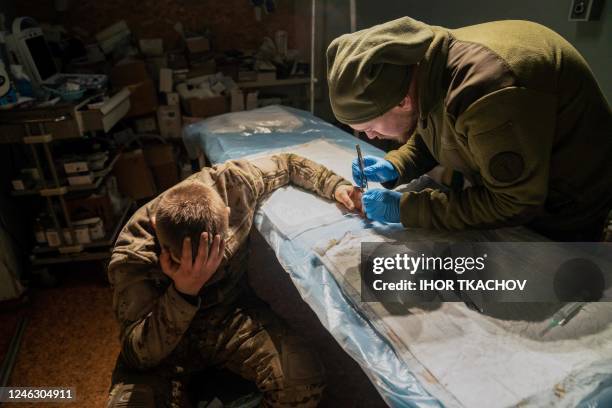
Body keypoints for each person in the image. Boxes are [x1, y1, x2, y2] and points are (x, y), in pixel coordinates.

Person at [106, 153, 361, 407]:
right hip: (166, 342)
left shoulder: (233, 185)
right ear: (156, 230)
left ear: (226, 214)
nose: (202, 268)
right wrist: (183, 292)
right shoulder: (133, 255)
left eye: (212, 256)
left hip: (228, 318)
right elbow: (137, 355)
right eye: (186, 261)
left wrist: (337, 186)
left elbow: (288, 163)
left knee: (302, 379)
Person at [327, 16, 612, 241]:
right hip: (526, 185)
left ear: (402, 101)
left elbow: (513, 202)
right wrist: (398, 164)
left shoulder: (486, 90)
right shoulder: (424, 68)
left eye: (368, 127)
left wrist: (407, 209)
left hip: (568, 205)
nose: (369, 137)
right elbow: (438, 129)